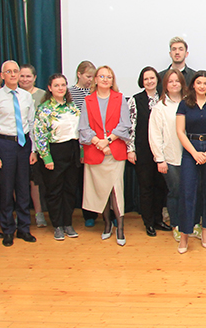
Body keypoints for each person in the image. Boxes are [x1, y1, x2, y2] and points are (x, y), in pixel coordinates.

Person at [79, 65, 133, 246]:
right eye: (101, 76)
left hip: (115, 151)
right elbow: (83, 128)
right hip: (96, 151)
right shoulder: (88, 100)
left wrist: (107, 141)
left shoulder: (119, 98)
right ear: (95, 79)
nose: (105, 79)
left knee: (116, 190)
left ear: (112, 80)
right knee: (102, 190)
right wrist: (98, 143)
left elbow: (125, 125)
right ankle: (107, 225)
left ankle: (120, 228)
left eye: (109, 77)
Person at [0, 60, 37, 246]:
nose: (13, 75)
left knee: (23, 189)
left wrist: (33, 149)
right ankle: (7, 229)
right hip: (5, 144)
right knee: (6, 190)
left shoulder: (26, 97)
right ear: (2, 75)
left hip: (23, 145)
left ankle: (24, 228)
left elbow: (31, 124)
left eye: (16, 71)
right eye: (9, 72)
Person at [175, 71, 206, 253]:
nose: (202, 86)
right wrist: (195, 153)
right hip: (191, 150)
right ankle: (184, 236)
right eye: (199, 82)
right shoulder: (184, 104)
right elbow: (180, 131)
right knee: (188, 193)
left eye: (205, 83)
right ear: (193, 85)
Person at [33, 73, 82, 241]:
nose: (60, 88)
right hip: (55, 152)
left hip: (73, 150)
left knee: (70, 189)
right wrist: (46, 158)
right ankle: (57, 225)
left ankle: (68, 223)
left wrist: (81, 152)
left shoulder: (72, 107)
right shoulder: (44, 109)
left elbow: (79, 131)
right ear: (50, 88)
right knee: (54, 191)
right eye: (56, 85)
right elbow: (39, 135)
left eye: (63, 85)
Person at [129, 66, 170, 236]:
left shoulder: (165, 98)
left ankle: (159, 219)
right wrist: (130, 149)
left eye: (152, 78)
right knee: (146, 187)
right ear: (142, 81)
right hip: (143, 150)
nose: (149, 81)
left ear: (157, 80)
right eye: (146, 79)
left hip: (162, 149)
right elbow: (131, 127)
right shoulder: (135, 100)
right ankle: (149, 222)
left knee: (161, 186)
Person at [150, 69, 187, 241]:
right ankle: (176, 225)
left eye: (177, 81)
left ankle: (191, 223)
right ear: (165, 85)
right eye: (170, 81)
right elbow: (155, 135)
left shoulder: (190, 103)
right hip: (170, 158)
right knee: (175, 192)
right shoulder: (160, 108)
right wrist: (160, 159)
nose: (174, 84)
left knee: (191, 192)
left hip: (191, 157)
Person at [68, 60, 96, 227]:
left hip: (95, 142)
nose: (90, 80)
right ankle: (88, 215)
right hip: (78, 144)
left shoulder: (95, 92)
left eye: (93, 77)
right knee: (82, 181)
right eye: (87, 76)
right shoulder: (70, 93)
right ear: (79, 74)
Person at [20, 64, 48, 228]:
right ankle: (21, 214)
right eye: (22, 76)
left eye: (28, 76)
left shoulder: (42, 95)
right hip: (17, 143)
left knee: (35, 181)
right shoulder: (14, 95)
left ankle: (39, 213)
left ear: (35, 78)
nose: (25, 79)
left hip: (37, 145)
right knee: (17, 180)